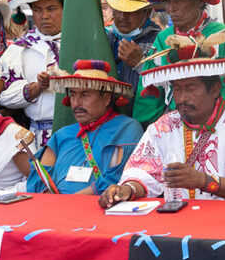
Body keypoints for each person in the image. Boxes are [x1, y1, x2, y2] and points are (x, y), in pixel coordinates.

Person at [98, 54, 225, 206]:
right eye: (177, 89)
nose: (181, 98)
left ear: (214, 89)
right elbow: (143, 172)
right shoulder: (164, 126)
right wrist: (127, 189)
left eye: (191, 89)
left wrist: (204, 181)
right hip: (177, 224)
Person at [27, 60, 143, 194]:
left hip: (101, 208)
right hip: (55, 209)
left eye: (84, 95)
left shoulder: (126, 128)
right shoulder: (61, 135)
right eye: (72, 95)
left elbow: (115, 178)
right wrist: (55, 207)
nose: (76, 102)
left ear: (106, 98)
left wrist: (69, 203)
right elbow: (39, 179)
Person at [0, 0, 65, 151]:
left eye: (51, 9)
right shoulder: (18, 49)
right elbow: (6, 97)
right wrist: (38, 86)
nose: (44, 16)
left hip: (76, 134)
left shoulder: (80, 43)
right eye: (38, 10)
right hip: (34, 136)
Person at [105, 0, 161, 116]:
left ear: (147, 13)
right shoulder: (105, 37)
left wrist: (140, 64)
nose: (123, 17)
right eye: (119, 10)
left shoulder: (159, 40)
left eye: (131, 11)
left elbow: (167, 86)